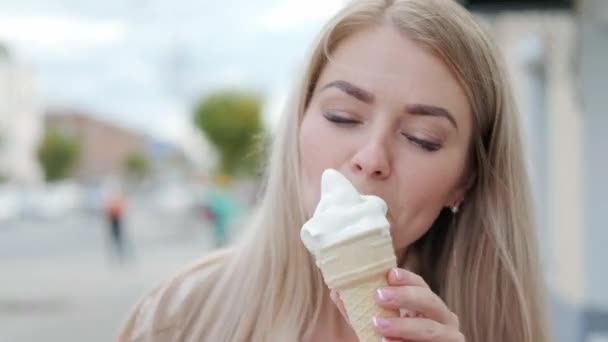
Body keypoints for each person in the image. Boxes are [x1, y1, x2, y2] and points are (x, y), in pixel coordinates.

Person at [118, 0, 550, 341]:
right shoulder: (176, 320)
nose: (372, 157)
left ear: (465, 180)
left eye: (422, 138)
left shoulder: (500, 330)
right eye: (342, 116)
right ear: (298, 125)